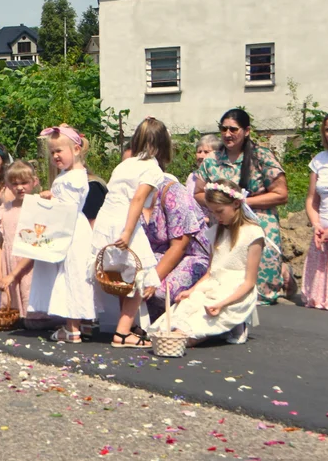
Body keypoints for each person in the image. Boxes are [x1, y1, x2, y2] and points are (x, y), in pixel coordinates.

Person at [151, 180, 266, 346]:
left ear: (235, 204)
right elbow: (210, 272)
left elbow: (249, 282)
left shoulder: (253, 233)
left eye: (220, 211)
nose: (216, 217)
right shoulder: (214, 233)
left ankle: (227, 325)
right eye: (212, 212)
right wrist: (191, 290)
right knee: (176, 317)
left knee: (189, 333)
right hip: (213, 284)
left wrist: (222, 304)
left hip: (235, 289)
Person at [195, 109, 287, 304]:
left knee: (261, 286)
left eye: (233, 129)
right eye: (223, 129)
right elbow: (198, 193)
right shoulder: (212, 160)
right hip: (224, 220)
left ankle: (274, 281)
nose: (227, 134)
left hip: (257, 216)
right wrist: (220, 204)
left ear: (246, 131)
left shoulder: (262, 157)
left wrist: (242, 202)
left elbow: (281, 194)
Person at [91, 118, 169, 348]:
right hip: (125, 220)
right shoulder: (152, 168)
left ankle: (128, 323)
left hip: (106, 218)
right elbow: (137, 199)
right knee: (139, 275)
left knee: (121, 274)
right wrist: (127, 231)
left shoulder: (124, 164)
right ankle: (123, 332)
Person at [27, 125, 96, 342]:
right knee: (74, 272)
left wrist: (50, 199)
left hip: (71, 228)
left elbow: (69, 206)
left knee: (71, 274)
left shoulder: (74, 177)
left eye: (59, 151)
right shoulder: (70, 174)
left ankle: (72, 327)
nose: (55, 156)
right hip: (71, 226)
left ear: (76, 150)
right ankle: (84, 323)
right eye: (52, 152)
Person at [141, 173, 211, 321]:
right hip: (157, 254)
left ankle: (183, 323)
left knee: (159, 292)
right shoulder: (129, 194)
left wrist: (152, 279)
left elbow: (179, 246)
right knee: (132, 280)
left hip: (192, 255)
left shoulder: (172, 192)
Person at [0, 161, 50, 328]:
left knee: (33, 319)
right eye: (15, 184)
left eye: (24, 183)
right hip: (9, 260)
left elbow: (36, 245)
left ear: (34, 182)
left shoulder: (37, 206)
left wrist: (14, 274)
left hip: (28, 261)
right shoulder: (6, 208)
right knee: (12, 313)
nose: (19, 188)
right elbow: (2, 242)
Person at [302, 109, 328, 311]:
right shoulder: (320, 160)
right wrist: (316, 225)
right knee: (319, 304)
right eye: (327, 130)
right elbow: (311, 199)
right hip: (323, 234)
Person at [187, 134, 222, 218]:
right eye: (199, 152)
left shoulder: (219, 176)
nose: (201, 156)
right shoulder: (191, 177)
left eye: (206, 152)